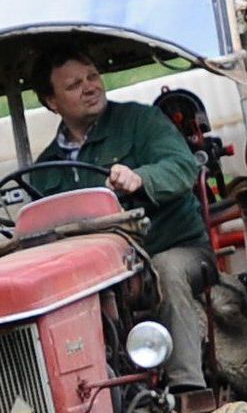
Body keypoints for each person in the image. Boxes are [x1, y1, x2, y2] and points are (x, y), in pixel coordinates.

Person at [25, 45, 215, 392]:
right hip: (93, 273)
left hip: (174, 247)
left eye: (93, 76)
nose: (90, 87)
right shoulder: (44, 169)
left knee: (167, 273)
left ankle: (189, 390)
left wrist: (141, 178)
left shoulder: (140, 122)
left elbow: (183, 167)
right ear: (51, 101)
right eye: (74, 85)